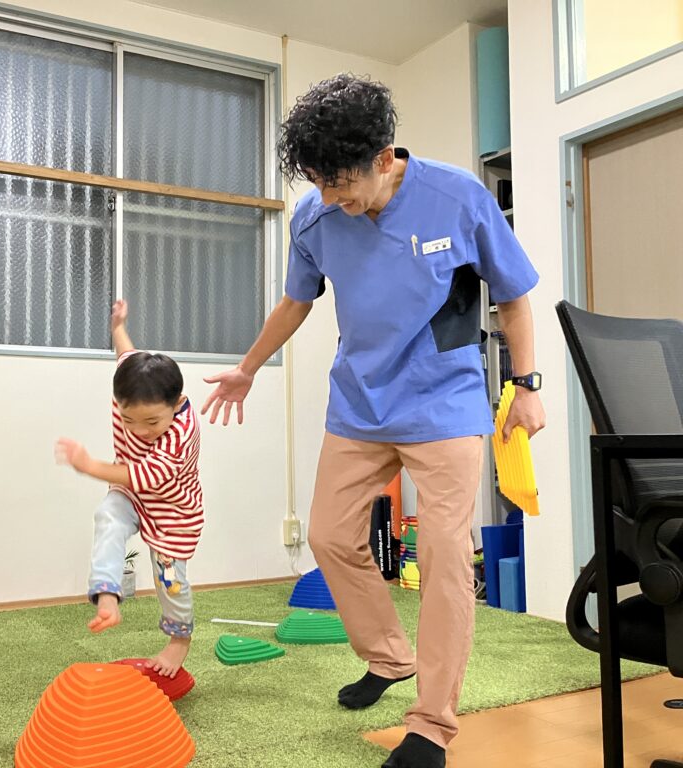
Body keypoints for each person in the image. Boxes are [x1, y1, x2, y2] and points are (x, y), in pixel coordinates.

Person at [202, 74, 546, 768]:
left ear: (384, 156)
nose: (331, 199)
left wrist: (526, 384)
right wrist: (247, 366)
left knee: (447, 561)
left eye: (340, 183)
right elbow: (296, 302)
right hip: (359, 404)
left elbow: (513, 299)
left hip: (445, 406)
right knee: (331, 537)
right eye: (319, 183)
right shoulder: (316, 216)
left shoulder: (459, 198)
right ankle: (390, 657)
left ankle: (431, 726)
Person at [56, 299, 203, 677]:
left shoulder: (180, 436)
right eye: (128, 419)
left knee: (170, 579)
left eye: (152, 421)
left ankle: (179, 639)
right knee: (108, 515)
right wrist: (118, 324)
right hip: (131, 495)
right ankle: (107, 593)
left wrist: (90, 466)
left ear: (177, 402)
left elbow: (141, 475)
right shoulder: (131, 378)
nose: (139, 430)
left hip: (173, 509)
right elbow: (126, 353)